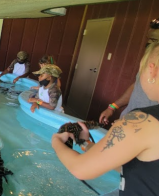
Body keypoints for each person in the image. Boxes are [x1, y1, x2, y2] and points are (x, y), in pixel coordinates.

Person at [52, 42, 159, 196]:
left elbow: (81, 169)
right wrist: (86, 143)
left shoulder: (141, 121)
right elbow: (139, 166)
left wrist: (56, 141)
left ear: (151, 70)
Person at [99, 18, 159, 125]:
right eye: (148, 38)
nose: (149, 42)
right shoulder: (147, 61)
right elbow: (136, 85)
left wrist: (130, 127)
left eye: (154, 40)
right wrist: (112, 107)